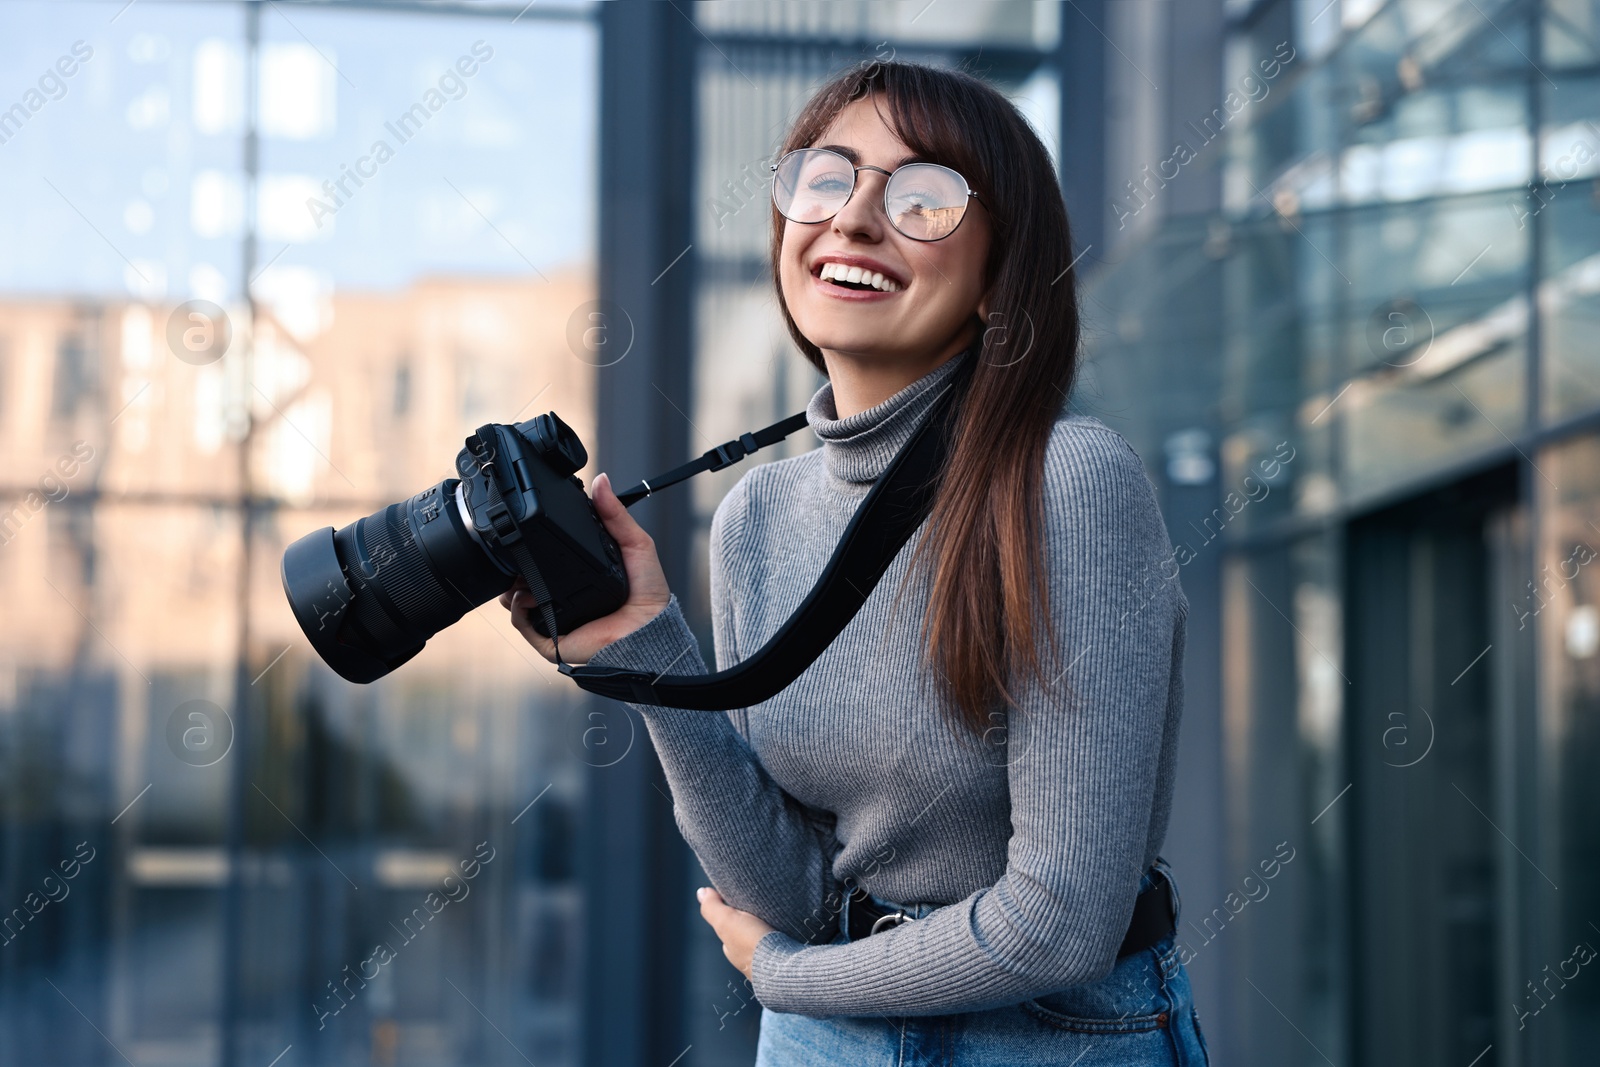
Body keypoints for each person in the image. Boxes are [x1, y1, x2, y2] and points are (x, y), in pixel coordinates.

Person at [501, 59, 1208, 1065]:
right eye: (825, 179)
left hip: (1049, 1038)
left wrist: (785, 977)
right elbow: (792, 895)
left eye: (925, 198)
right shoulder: (756, 516)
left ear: (1000, 276)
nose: (854, 218)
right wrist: (649, 652)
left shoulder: (1065, 482)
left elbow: (1061, 919)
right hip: (821, 1038)